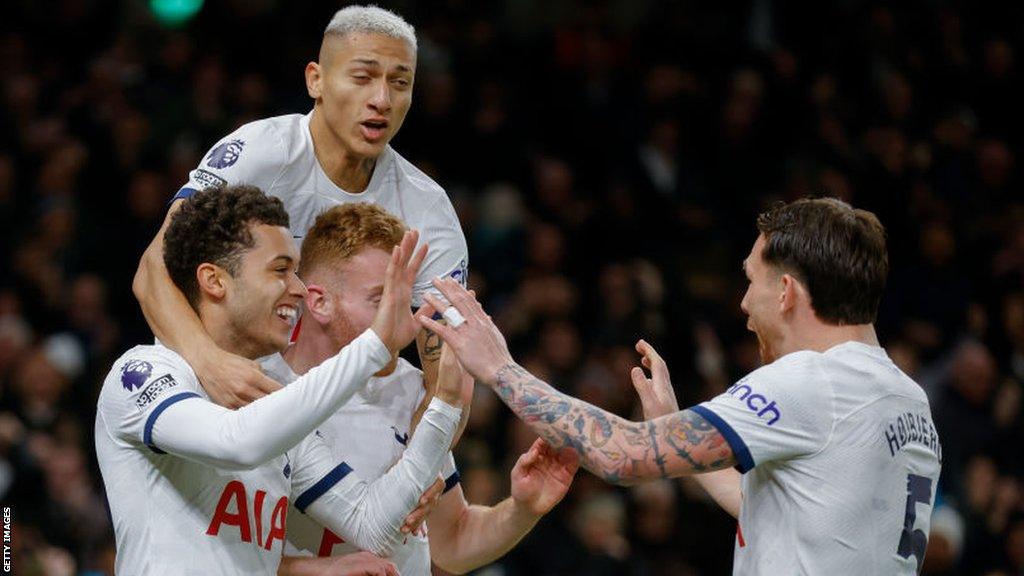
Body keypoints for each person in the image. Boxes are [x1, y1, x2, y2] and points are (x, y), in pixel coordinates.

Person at [421, 197, 944, 574]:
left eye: (751, 280)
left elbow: (622, 456)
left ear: (785, 291)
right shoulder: (907, 399)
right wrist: (674, 425)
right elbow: (790, 513)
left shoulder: (815, 380)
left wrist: (499, 367)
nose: (743, 304)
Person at [96, 186, 468, 575]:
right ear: (214, 280)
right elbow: (237, 442)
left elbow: (372, 525)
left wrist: (446, 400)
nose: (300, 288)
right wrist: (375, 344)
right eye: (280, 270)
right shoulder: (142, 375)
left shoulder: (271, 405)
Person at [132, 5, 467, 411]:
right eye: (362, 78)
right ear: (317, 80)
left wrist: (418, 465)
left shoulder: (426, 208)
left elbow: (450, 373)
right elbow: (154, 270)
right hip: (215, 390)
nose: (382, 99)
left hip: (339, 413)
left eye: (400, 82)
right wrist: (211, 364)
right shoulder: (259, 154)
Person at [258, 203, 578, 575]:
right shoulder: (260, 392)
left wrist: (522, 509)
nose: (408, 324)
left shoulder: (408, 389)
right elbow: (229, 551)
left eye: (405, 301)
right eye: (381, 299)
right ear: (319, 302)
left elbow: (453, 542)